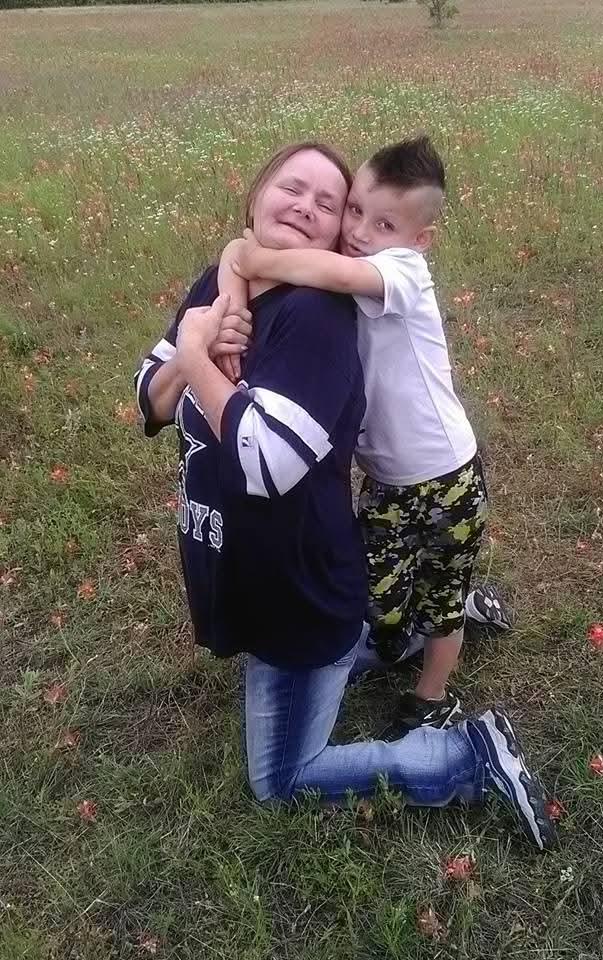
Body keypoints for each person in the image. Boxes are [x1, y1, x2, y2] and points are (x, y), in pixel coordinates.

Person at [134, 142, 557, 851]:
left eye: (326, 203)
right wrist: (202, 327)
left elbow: (263, 462)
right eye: (291, 187)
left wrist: (197, 356)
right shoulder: (213, 283)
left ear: (334, 237)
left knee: (282, 780)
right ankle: (424, 625)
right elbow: (147, 402)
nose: (307, 206)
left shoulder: (322, 317)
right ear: (256, 195)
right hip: (263, 567)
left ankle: (470, 756)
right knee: (390, 604)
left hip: (312, 579)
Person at [219, 136, 511, 733]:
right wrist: (232, 277)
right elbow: (249, 262)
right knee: (375, 589)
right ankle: (435, 624)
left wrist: (251, 257)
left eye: (383, 223)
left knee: (440, 598)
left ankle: (432, 696)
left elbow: (320, 266)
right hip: (384, 478)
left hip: (445, 476)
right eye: (354, 210)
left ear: (419, 238)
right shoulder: (352, 277)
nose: (358, 229)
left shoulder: (403, 271)